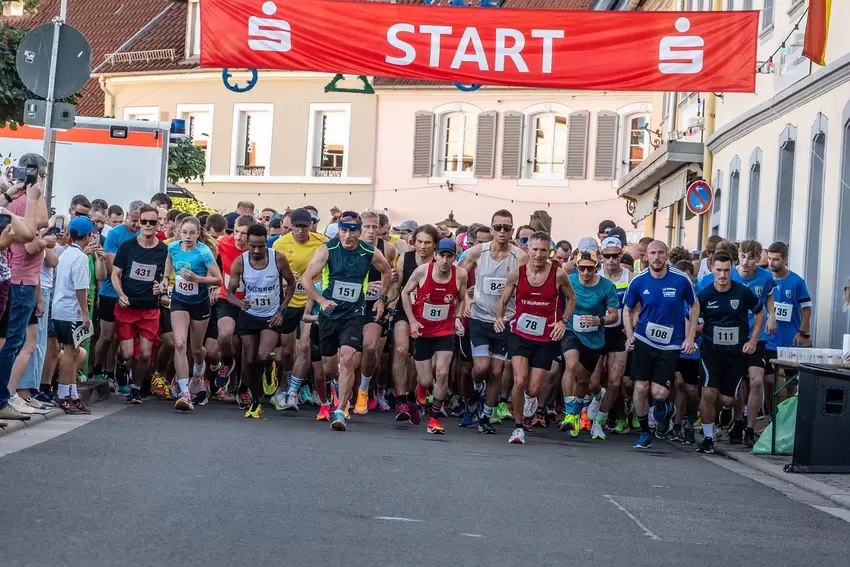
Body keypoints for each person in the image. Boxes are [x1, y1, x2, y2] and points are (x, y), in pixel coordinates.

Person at [301, 211, 392, 431]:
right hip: (329, 315)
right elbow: (306, 279)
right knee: (330, 367)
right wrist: (321, 300)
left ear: (360, 232)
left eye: (352, 231)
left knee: (349, 359)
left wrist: (382, 299)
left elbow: (388, 273)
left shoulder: (370, 252)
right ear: (338, 230)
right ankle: (336, 384)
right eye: (344, 230)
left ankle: (340, 410)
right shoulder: (328, 249)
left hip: (354, 314)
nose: (348, 236)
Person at [496, 231, 576, 444]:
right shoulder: (517, 274)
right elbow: (503, 301)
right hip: (519, 334)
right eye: (535, 249)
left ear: (549, 252)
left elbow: (572, 299)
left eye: (543, 250)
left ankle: (530, 402)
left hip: (544, 338)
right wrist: (499, 318)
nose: (539, 254)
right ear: (527, 249)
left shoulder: (558, 275)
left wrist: (563, 322)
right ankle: (518, 427)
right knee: (520, 381)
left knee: (532, 389)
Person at [623, 240, 698, 449]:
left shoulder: (681, 279)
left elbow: (694, 306)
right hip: (644, 339)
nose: (656, 257)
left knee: (659, 392)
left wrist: (690, 337)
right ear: (645, 256)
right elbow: (627, 309)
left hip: (670, 343)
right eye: (652, 253)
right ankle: (645, 433)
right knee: (640, 387)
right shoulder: (638, 281)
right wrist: (630, 335)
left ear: (667, 255)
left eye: (660, 253)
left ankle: (662, 407)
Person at [459, 209, 528, 434]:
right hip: (479, 317)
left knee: (497, 371)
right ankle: (477, 387)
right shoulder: (478, 252)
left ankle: (486, 415)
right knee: (481, 367)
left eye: (507, 228)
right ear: (491, 229)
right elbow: (458, 277)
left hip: (505, 320)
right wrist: (465, 299)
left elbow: (528, 287)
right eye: (498, 227)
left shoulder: (520, 257)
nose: (502, 231)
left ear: (512, 230)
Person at [696, 251, 764, 454]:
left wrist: (752, 340)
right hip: (711, 351)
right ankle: (708, 437)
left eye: (726, 270)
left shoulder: (742, 292)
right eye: (718, 270)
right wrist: (691, 337)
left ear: (731, 269)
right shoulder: (705, 294)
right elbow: (691, 316)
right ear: (711, 268)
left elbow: (760, 312)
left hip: (735, 353)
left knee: (727, 399)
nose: (723, 275)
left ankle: (726, 410)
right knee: (708, 393)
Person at [227, 223, 295, 418]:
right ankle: (256, 401)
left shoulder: (278, 259)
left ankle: (269, 367)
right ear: (247, 244)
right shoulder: (240, 262)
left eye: (261, 246)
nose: (257, 250)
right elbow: (230, 293)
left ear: (266, 243)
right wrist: (240, 304)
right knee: (248, 360)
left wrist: (281, 310)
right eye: (253, 246)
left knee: (263, 355)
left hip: (271, 315)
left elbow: (291, 284)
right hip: (249, 315)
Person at [401, 238, 468, 434]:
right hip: (422, 329)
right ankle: (418, 393)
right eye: (442, 256)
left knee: (442, 373)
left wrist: (457, 318)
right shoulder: (423, 271)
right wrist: (412, 321)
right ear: (435, 256)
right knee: (425, 380)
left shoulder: (460, 275)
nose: (445, 261)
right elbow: (405, 293)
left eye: (450, 256)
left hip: (445, 330)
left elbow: (463, 299)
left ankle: (434, 418)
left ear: (454, 257)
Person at [0, 155, 46, 421]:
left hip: (14, 280)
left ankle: (5, 396)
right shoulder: (17, 203)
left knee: (12, 341)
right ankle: (5, 396)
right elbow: (30, 234)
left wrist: (8, 192)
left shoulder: (7, 202)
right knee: (12, 342)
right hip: (13, 280)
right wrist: (30, 197)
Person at [558, 238, 619, 440]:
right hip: (571, 331)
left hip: (595, 338)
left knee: (586, 381)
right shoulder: (569, 280)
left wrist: (598, 320)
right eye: (582, 268)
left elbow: (614, 315)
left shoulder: (607, 286)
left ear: (596, 267)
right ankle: (570, 413)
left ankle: (578, 409)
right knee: (572, 365)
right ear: (577, 267)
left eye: (590, 269)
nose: (585, 273)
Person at [271, 208, 329, 414]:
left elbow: (329, 269)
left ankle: (294, 391)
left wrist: (320, 282)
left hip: (311, 300)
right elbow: (272, 273)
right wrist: (287, 277)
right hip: (289, 301)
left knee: (304, 347)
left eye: (304, 227)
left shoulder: (322, 242)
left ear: (311, 226)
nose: (300, 231)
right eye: (296, 227)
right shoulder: (280, 244)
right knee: (287, 351)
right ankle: (287, 383)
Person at [161, 216, 222, 411]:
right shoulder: (173, 247)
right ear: (179, 231)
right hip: (179, 300)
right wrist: (164, 278)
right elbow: (169, 261)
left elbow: (218, 280)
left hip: (200, 304)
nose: (187, 237)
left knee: (197, 349)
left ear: (198, 233)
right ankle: (184, 392)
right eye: (184, 232)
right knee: (179, 344)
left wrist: (197, 278)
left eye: (192, 233)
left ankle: (198, 371)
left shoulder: (203, 252)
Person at [111, 204, 168, 404]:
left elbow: (167, 277)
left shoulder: (164, 249)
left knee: (145, 354)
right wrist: (120, 294)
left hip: (149, 308)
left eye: (152, 222)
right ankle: (119, 363)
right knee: (127, 352)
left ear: (158, 224)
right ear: (139, 222)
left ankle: (135, 387)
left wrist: (162, 287)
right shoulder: (127, 247)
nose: (148, 225)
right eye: (144, 221)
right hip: (127, 307)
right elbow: (115, 274)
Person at [388, 224, 439, 423]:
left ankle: (414, 395)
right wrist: (387, 295)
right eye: (419, 242)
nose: (423, 246)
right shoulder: (405, 259)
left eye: (427, 243)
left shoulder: (440, 261)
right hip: (405, 309)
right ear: (413, 242)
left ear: (434, 245)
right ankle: (401, 400)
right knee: (401, 350)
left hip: (430, 315)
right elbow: (396, 289)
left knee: (418, 361)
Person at [93, 200, 143, 393]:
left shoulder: (143, 235)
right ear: (128, 216)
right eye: (133, 220)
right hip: (110, 292)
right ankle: (97, 370)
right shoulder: (115, 234)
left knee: (123, 337)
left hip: (132, 294)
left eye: (140, 221)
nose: (136, 224)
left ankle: (115, 373)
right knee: (107, 335)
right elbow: (114, 268)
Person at [51, 216, 97, 415]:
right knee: (71, 352)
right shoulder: (80, 258)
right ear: (87, 236)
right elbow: (81, 289)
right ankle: (63, 394)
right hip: (71, 311)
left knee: (74, 351)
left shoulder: (66, 253)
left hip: (60, 308)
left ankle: (72, 392)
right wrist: (85, 315)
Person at [356, 210, 396, 415]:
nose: (371, 231)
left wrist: (385, 297)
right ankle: (348, 392)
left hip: (375, 305)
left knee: (371, 349)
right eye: (367, 227)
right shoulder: (348, 246)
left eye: (375, 227)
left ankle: (366, 390)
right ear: (359, 228)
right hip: (353, 305)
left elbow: (392, 279)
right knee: (352, 357)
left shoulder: (387, 249)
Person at [764, 241, 812, 415]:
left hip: (790, 340)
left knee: (790, 383)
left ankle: (786, 417)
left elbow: (807, 309)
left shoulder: (797, 281)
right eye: (769, 258)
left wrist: (803, 333)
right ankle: (772, 417)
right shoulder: (765, 279)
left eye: (775, 259)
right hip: (768, 340)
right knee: (769, 381)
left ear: (785, 260)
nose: (771, 263)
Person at [593, 235, 633, 435]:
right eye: (607, 256)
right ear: (601, 256)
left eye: (615, 255)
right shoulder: (594, 275)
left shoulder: (630, 277)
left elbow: (636, 307)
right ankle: (609, 412)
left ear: (621, 255)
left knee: (615, 381)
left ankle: (601, 420)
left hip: (619, 333)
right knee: (594, 382)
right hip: (597, 331)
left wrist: (631, 325)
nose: (611, 260)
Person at [214, 215, 254, 402]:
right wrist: (214, 284)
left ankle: (243, 388)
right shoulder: (222, 243)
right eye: (236, 231)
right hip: (226, 298)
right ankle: (227, 361)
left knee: (247, 350)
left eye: (244, 234)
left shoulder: (258, 250)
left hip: (249, 303)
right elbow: (208, 259)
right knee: (224, 335)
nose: (238, 237)